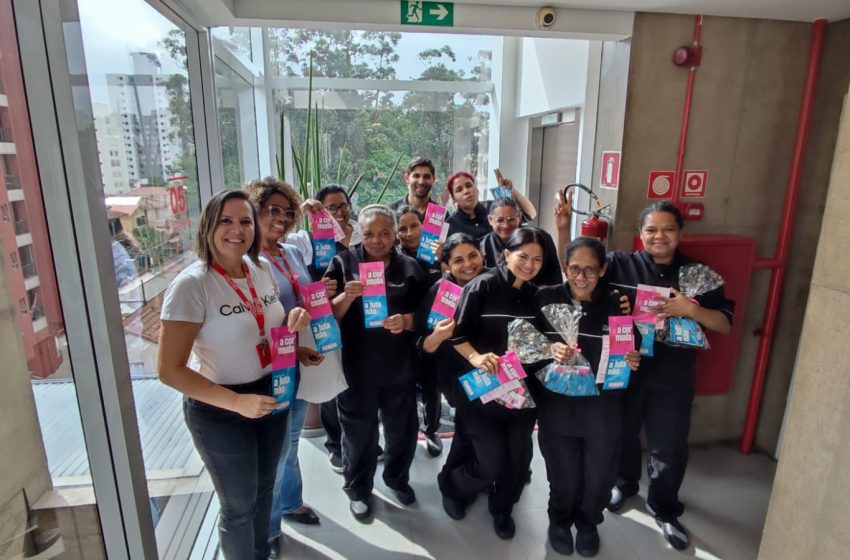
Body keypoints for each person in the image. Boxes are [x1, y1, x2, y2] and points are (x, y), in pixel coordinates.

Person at [555, 198, 735, 551]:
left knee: (669, 444)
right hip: (624, 368)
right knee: (621, 434)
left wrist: (690, 310)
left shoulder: (697, 273)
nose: (659, 236)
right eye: (651, 229)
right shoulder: (621, 264)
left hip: (673, 374)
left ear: (679, 233)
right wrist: (563, 229)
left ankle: (665, 509)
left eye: (668, 229)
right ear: (640, 233)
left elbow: (725, 324)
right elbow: (575, 270)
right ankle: (625, 484)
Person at [157, 190, 311, 560]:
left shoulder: (259, 269)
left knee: (264, 489)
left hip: (270, 395)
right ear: (208, 225)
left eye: (244, 221)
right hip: (220, 407)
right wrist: (236, 402)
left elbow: (261, 334)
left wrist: (294, 344)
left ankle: (259, 553)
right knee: (239, 506)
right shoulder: (192, 285)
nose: (236, 230)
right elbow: (169, 370)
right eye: (226, 220)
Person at [243, 178, 340, 558]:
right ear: (254, 210)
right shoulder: (248, 262)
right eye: (272, 210)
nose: (281, 219)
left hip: (293, 361)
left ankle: (289, 503)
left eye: (287, 212)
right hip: (265, 370)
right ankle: (267, 531)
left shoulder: (289, 252)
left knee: (291, 442)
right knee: (276, 450)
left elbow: (300, 301)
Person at [531, 237, 640, 557]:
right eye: (574, 268)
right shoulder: (545, 298)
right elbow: (523, 344)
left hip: (603, 407)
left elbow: (628, 345)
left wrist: (632, 358)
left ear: (603, 269)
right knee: (562, 473)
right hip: (557, 405)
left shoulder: (616, 302)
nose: (581, 276)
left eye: (590, 270)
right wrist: (548, 348)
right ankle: (560, 520)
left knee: (600, 473)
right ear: (564, 267)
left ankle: (589, 521)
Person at [439, 227, 545, 540]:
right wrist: (475, 357)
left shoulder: (534, 295)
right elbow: (457, 335)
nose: (529, 264)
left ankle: (502, 508)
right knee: (490, 459)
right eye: (523, 256)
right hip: (481, 392)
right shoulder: (482, 285)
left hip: (520, 395)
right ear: (506, 254)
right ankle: (453, 487)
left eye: (537, 259)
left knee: (519, 457)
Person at [324, 204, 428, 520]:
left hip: (400, 367)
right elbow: (326, 318)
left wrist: (407, 321)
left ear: (395, 233)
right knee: (357, 435)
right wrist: (346, 297)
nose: (377, 240)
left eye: (385, 233)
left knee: (402, 432)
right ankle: (357, 489)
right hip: (356, 368)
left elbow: (426, 317)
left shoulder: (410, 267)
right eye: (369, 233)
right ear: (360, 232)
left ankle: (396, 478)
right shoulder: (343, 262)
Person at [287, 184, 361, 474]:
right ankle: (336, 444)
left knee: (357, 380)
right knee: (332, 382)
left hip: (359, 316)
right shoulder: (305, 239)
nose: (339, 212)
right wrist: (300, 213)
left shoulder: (358, 231)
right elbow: (275, 243)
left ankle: (361, 440)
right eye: (331, 207)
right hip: (325, 319)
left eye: (343, 205)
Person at [415, 233, 488, 510]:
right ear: (446, 265)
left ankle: (473, 477)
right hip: (455, 374)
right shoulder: (440, 292)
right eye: (458, 260)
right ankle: (456, 485)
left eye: (473, 256)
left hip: (494, 371)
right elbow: (422, 344)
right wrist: (438, 336)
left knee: (481, 430)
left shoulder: (494, 282)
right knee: (469, 427)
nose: (468, 264)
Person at [395, 205, 444, 457]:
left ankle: (431, 429)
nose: (409, 232)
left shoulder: (439, 253)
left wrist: (443, 260)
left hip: (433, 330)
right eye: (402, 228)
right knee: (401, 386)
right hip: (403, 331)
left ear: (424, 225)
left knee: (431, 383)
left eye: (414, 225)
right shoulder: (393, 257)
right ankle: (401, 432)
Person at [479, 197, 562, 287]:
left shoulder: (540, 238)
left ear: (519, 216)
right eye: (500, 220)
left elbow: (554, 280)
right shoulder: (481, 247)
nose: (506, 225)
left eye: (511, 219)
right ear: (490, 220)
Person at [445, 170, 538, 241]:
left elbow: (531, 214)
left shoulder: (493, 207)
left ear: (476, 189)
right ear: (453, 199)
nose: (466, 191)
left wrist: (513, 192)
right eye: (459, 190)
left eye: (469, 185)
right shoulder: (449, 224)